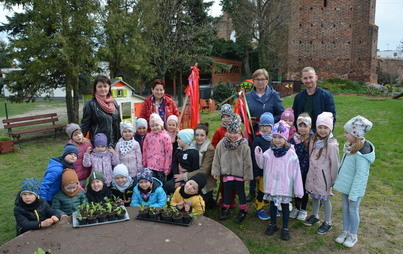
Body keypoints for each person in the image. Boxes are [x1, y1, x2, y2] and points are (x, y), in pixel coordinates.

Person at [255, 120, 304, 241]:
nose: (277, 140)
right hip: (272, 186)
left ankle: (285, 228)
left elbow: (297, 173)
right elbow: (262, 165)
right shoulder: (269, 152)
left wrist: (298, 190)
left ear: (286, 138)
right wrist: (258, 154)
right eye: (275, 137)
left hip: (285, 187)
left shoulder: (291, 155)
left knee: (285, 207)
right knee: (272, 205)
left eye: (280, 137)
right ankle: (273, 224)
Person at [333, 116, 375, 248]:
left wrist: (354, 194)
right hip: (347, 185)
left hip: (354, 189)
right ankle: (345, 230)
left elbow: (360, 176)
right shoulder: (350, 146)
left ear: (356, 135)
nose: (344, 135)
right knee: (345, 208)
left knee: (353, 210)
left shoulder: (362, 152)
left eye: (347, 133)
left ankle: (353, 235)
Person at [245, 68, 285, 202]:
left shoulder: (274, 95)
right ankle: (252, 190)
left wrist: (268, 121)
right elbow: (242, 114)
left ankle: (267, 190)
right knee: (253, 159)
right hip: (253, 133)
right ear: (253, 81)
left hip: (269, 136)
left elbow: (281, 114)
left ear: (267, 80)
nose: (260, 82)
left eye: (262, 79)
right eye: (257, 79)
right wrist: (248, 120)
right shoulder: (247, 96)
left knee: (268, 161)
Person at [212, 113, 253, 224]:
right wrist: (216, 171)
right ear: (227, 132)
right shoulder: (222, 143)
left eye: (235, 133)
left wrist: (248, 175)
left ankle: (244, 209)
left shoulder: (244, 145)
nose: (233, 135)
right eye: (230, 132)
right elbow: (217, 157)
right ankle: (226, 207)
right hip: (226, 172)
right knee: (227, 190)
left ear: (239, 132)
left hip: (239, 173)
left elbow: (247, 161)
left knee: (240, 191)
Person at [304, 112, 340, 235]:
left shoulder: (332, 144)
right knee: (314, 196)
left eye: (326, 127)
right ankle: (315, 215)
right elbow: (310, 157)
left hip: (324, 178)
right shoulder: (314, 140)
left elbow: (335, 164)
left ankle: (328, 222)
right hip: (313, 175)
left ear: (330, 129)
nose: (322, 130)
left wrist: (333, 179)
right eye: (320, 127)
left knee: (325, 199)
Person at [81, 75, 121, 148]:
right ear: (95, 88)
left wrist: (121, 139)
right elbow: (85, 124)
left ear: (109, 87)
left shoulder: (114, 102)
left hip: (115, 143)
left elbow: (118, 123)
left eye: (105, 86)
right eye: (99, 86)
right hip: (99, 144)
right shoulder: (90, 103)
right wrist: (78, 140)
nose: (103, 89)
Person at [292, 67, 336, 132]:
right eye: (305, 78)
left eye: (310, 77)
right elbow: (295, 117)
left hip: (320, 134)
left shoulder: (326, 96)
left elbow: (331, 118)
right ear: (302, 80)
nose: (308, 80)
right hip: (303, 134)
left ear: (316, 77)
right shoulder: (298, 97)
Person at [251, 112, 274, 221]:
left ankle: (272, 206)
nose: (265, 128)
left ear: (272, 127)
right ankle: (259, 208)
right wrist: (256, 173)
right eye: (262, 126)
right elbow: (254, 157)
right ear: (259, 126)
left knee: (271, 189)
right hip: (262, 172)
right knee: (262, 190)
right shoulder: (258, 140)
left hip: (272, 171)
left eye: (267, 126)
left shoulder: (274, 139)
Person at [187, 123, 217, 207]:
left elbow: (204, 171)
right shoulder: (192, 146)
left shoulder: (209, 149)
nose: (199, 138)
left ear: (206, 136)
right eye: (197, 135)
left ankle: (209, 199)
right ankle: (209, 200)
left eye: (202, 135)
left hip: (205, 181)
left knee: (196, 203)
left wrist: (185, 176)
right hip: (193, 176)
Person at [289, 113, 312, 221]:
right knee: (296, 189)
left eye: (305, 126)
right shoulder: (294, 139)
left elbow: (308, 158)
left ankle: (303, 209)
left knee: (303, 190)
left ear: (309, 126)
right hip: (294, 169)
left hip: (305, 170)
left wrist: (303, 170)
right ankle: (296, 207)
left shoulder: (312, 139)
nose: (302, 129)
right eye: (300, 126)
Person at [164, 129, 199, 195]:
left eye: (179, 138)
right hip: (177, 176)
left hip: (188, 179)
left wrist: (184, 175)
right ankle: (169, 201)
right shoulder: (178, 151)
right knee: (167, 185)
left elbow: (194, 168)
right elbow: (174, 164)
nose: (177, 140)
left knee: (183, 190)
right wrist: (177, 178)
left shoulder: (193, 153)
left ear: (185, 140)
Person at [142, 113, 173, 184]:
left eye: (157, 125)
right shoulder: (148, 136)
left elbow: (168, 153)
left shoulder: (166, 137)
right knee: (150, 184)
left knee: (160, 185)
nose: (155, 127)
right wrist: (144, 163)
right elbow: (144, 150)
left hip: (161, 168)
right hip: (150, 166)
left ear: (161, 125)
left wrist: (167, 168)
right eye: (152, 126)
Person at [65, 123, 92, 187]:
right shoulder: (70, 147)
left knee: (84, 187)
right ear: (71, 137)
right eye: (75, 135)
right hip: (76, 175)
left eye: (80, 133)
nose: (79, 136)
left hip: (86, 173)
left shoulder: (87, 143)